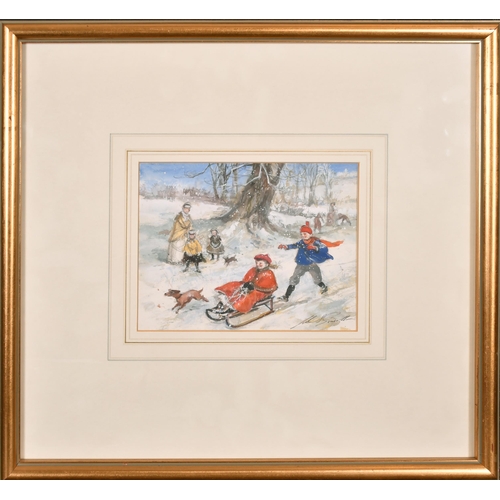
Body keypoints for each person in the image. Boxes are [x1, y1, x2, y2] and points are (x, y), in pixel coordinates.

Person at [277, 221, 343, 302]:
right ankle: (286, 296)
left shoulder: (315, 242)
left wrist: (315, 248)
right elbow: (294, 245)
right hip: (301, 265)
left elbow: (323, 248)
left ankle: (324, 287)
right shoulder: (301, 242)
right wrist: (286, 246)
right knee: (293, 280)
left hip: (312, 264)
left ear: (310, 234)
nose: (303, 235)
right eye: (302, 234)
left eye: (305, 233)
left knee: (317, 279)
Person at [211, 254, 278, 315]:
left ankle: (235, 307)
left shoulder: (269, 273)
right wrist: (246, 283)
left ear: (266, 264)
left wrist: (254, 287)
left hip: (261, 292)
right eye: (256, 263)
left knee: (248, 294)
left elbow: (270, 287)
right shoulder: (253, 269)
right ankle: (223, 302)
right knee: (235, 285)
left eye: (260, 263)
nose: (257, 265)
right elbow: (246, 279)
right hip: (249, 286)